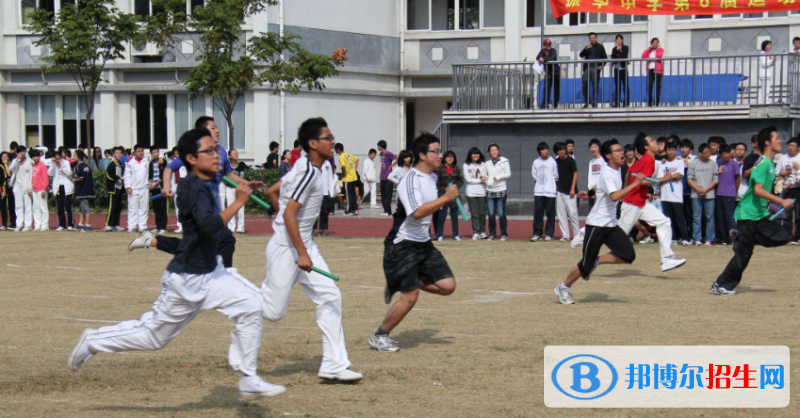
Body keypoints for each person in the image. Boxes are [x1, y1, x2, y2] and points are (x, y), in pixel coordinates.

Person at [67, 128, 285, 398]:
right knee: (153, 338)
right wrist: (238, 202)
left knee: (252, 306)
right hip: (186, 280)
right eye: (209, 150)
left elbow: (225, 177)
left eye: (216, 148)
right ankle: (93, 340)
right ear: (191, 158)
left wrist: (245, 185)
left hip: (213, 274)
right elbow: (208, 227)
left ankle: (248, 377)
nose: (216, 154)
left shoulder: (208, 175)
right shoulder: (193, 187)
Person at [262, 117, 363, 383]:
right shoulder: (307, 171)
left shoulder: (309, 168)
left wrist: (299, 240)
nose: (333, 142)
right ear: (312, 143)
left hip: (303, 245)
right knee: (273, 312)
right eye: (328, 138)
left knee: (330, 296)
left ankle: (334, 365)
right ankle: (225, 293)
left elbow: (273, 191)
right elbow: (290, 215)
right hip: (288, 249)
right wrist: (300, 251)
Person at [368, 133, 458, 353]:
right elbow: (416, 213)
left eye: (440, 151)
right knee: (410, 298)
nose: (440, 155)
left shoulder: (433, 178)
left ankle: (401, 279)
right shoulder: (410, 179)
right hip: (402, 243)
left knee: (448, 286)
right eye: (435, 151)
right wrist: (445, 199)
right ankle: (379, 336)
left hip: (423, 243)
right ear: (421, 155)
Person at [554, 139, 646, 305]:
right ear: (609, 156)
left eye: (621, 149)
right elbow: (615, 196)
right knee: (585, 266)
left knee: (628, 255)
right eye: (617, 150)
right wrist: (636, 184)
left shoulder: (616, 169)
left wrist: (589, 193)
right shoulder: (608, 172)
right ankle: (563, 287)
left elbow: (599, 186)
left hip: (610, 224)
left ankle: (597, 260)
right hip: (597, 224)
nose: (622, 152)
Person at [156, 116, 255, 268]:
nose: (218, 130)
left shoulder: (220, 150)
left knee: (203, 242)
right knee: (224, 238)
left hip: (211, 199)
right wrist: (166, 186)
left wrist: (248, 184)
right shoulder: (196, 150)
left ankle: (155, 241)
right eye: (213, 127)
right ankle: (224, 274)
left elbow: (227, 174)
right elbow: (169, 168)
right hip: (195, 198)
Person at [711, 126, 794, 295]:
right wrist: (781, 201)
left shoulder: (769, 164)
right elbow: (757, 190)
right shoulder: (763, 163)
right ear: (767, 142)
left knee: (782, 237)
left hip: (759, 214)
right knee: (744, 255)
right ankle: (721, 284)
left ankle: (742, 239)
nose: (780, 141)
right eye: (776, 138)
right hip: (748, 214)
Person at [594, 133, 686, 271]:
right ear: (647, 147)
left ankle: (666, 259)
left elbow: (630, 173)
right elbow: (642, 181)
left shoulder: (645, 160)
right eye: (652, 141)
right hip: (632, 203)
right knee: (618, 234)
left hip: (640, 203)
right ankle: (586, 236)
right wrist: (663, 179)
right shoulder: (648, 160)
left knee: (664, 222)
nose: (656, 142)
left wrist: (625, 189)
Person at [658, 142, 691, 246]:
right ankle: (673, 237)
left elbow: (678, 175)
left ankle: (685, 237)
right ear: (666, 151)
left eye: (673, 150)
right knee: (669, 218)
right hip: (665, 195)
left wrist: (667, 177)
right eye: (669, 150)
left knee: (679, 217)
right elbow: (659, 179)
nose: (671, 152)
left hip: (676, 195)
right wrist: (668, 178)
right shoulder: (662, 164)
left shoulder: (679, 162)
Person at [688, 143, 719, 246]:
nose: (708, 154)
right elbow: (689, 179)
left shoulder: (713, 164)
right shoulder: (694, 163)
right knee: (696, 217)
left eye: (709, 152)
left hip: (709, 194)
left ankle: (710, 239)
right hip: (696, 194)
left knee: (710, 217)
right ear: (700, 153)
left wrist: (705, 189)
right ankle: (697, 238)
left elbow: (715, 180)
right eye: (706, 152)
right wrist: (699, 189)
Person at [531, 142, 558, 242]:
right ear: (539, 151)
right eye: (543, 149)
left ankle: (549, 233)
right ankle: (537, 233)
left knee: (550, 213)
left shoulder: (553, 162)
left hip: (550, 191)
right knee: (538, 213)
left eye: (546, 149)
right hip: (539, 191)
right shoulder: (536, 162)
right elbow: (534, 176)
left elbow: (556, 176)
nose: (545, 151)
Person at [435, 150, 464, 241]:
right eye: (448, 157)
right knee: (442, 216)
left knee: (454, 216)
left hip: (454, 196)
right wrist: (442, 189)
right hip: (443, 195)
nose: (450, 159)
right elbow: (436, 181)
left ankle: (456, 234)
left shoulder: (456, 168)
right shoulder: (440, 168)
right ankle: (439, 235)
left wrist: (455, 186)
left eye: (451, 157)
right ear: (444, 158)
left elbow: (461, 180)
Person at [716, 144, 741, 245]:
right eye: (724, 153)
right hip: (719, 194)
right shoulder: (719, 164)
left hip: (729, 194)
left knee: (729, 218)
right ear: (721, 154)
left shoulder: (734, 164)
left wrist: (735, 191)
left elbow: (738, 178)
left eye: (728, 153)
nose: (726, 155)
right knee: (721, 218)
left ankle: (733, 239)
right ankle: (724, 239)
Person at [554, 142, 579, 242]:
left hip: (570, 192)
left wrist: (572, 188)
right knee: (561, 214)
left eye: (563, 149)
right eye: (559, 150)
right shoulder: (556, 161)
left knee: (572, 213)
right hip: (560, 191)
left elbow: (575, 174)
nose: (562, 151)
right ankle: (565, 235)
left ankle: (577, 235)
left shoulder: (570, 160)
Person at [485, 144, 510, 240]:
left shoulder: (504, 161)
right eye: (492, 150)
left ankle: (504, 233)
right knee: (491, 214)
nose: (494, 152)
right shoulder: (487, 163)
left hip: (501, 189)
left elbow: (508, 174)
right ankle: (492, 233)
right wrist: (486, 179)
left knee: (501, 213)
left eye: (496, 150)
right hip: (490, 190)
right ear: (489, 152)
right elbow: (484, 175)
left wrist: (498, 177)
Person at [777, 137, 800, 242]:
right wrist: (781, 173)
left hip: (798, 188)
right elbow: (777, 172)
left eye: (793, 146)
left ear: (798, 147)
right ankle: (788, 236)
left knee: (798, 213)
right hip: (786, 188)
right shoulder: (783, 158)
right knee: (787, 214)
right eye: (789, 145)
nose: (790, 148)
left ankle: (798, 236)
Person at [463, 147, 488, 240]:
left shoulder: (483, 164)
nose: (475, 155)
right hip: (471, 192)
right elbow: (467, 179)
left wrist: (483, 179)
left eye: (477, 154)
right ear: (470, 155)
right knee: (474, 214)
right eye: (473, 154)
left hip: (482, 191)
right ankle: (476, 232)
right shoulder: (466, 165)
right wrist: (479, 180)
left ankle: (482, 231)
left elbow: (486, 177)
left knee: (482, 213)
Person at [124, 145, 150, 233]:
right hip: (134, 189)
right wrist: (128, 186)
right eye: (138, 151)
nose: (140, 153)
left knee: (144, 207)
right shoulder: (131, 163)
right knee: (133, 208)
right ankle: (132, 226)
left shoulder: (147, 160)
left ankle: (142, 226)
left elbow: (158, 155)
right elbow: (127, 176)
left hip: (144, 188)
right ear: (134, 152)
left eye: (142, 151)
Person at [8, 146, 33, 232]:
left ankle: (28, 224)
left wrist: (30, 188)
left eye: (24, 151)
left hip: (27, 185)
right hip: (17, 185)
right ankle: (19, 224)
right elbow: (10, 169)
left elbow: (31, 176)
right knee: (18, 206)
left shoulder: (30, 162)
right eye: (20, 152)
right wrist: (16, 159)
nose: (22, 153)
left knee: (27, 205)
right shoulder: (16, 161)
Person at [579, 32, 607, 108]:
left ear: (596, 38)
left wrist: (602, 65)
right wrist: (585, 49)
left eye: (593, 38)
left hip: (595, 68)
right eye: (590, 38)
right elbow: (581, 55)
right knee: (584, 85)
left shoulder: (600, 47)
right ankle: (588, 101)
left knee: (595, 86)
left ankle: (594, 103)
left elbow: (605, 58)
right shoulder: (587, 47)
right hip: (587, 68)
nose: (592, 39)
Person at [223, 149, 248, 234]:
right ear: (230, 156)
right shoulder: (227, 165)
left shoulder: (241, 165)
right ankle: (231, 227)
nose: (236, 155)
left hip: (239, 188)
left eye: (237, 153)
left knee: (241, 207)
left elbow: (241, 177)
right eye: (234, 153)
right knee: (231, 207)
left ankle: (241, 228)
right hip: (229, 188)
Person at [50, 152, 75, 231]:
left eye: (59, 158)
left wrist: (62, 164)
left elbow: (69, 173)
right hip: (58, 186)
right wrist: (53, 164)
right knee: (60, 207)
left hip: (67, 186)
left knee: (68, 206)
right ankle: (62, 224)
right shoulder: (54, 164)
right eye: (56, 158)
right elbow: (49, 173)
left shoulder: (66, 163)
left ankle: (71, 224)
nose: (57, 160)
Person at [313, 156, 337, 236]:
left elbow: (330, 177)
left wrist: (331, 191)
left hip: (325, 192)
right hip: (315, 191)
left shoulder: (327, 164)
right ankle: (312, 229)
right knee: (314, 211)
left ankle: (322, 229)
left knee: (324, 211)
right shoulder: (314, 162)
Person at [104, 148, 125, 232]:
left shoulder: (121, 164)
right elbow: (108, 175)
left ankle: (116, 224)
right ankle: (108, 224)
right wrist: (118, 177)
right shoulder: (111, 164)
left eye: (120, 153)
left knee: (118, 207)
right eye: (117, 153)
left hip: (120, 187)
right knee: (112, 206)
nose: (119, 155)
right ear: (114, 155)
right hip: (114, 188)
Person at [148, 146, 168, 234]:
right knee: (156, 208)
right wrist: (150, 184)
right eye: (154, 152)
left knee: (162, 207)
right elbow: (150, 174)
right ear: (151, 153)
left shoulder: (163, 162)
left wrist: (156, 184)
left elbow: (163, 175)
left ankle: (163, 227)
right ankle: (158, 226)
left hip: (161, 188)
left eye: (157, 152)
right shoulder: (151, 163)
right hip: (154, 189)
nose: (156, 154)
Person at [336, 143, 359, 216]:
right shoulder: (348, 154)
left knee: (348, 195)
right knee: (353, 194)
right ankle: (355, 209)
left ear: (338, 149)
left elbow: (343, 166)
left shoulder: (341, 157)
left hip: (347, 178)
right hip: (353, 177)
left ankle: (348, 210)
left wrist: (344, 174)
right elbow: (357, 159)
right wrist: (354, 170)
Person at [73, 150, 94, 231]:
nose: (73, 157)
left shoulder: (79, 166)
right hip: (87, 189)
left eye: (75, 155)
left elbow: (81, 178)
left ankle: (88, 224)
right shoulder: (86, 166)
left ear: (79, 157)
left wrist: (74, 180)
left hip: (83, 190)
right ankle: (81, 224)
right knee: (82, 208)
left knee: (86, 208)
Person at [536, 39, 560, 109]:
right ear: (545, 45)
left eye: (550, 44)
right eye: (547, 44)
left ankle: (555, 104)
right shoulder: (542, 51)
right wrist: (540, 58)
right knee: (546, 89)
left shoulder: (553, 50)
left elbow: (552, 58)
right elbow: (537, 57)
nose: (549, 46)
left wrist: (543, 60)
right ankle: (545, 104)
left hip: (555, 72)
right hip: (548, 72)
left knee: (556, 90)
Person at [680, 139, 696, 239]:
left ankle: (691, 234)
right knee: (681, 215)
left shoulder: (695, 159)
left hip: (691, 191)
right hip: (679, 192)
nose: (683, 149)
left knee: (691, 214)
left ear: (690, 149)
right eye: (682, 147)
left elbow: (695, 171)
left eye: (686, 147)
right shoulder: (676, 159)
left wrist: (685, 161)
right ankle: (683, 235)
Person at [30, 149, 50, 231]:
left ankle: (45, 224)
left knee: (43, 207)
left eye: (36, 156)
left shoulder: (42, 165)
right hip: (34, 189)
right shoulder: (32, 166)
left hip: (41, 189)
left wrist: (44, 189)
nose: (35, 158)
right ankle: (37, 224)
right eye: (33, 156)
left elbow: (45, 178)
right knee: (35, 207)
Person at [377, 140, 397, 216]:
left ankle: (388, 211)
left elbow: (397, 158)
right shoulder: (381, 154)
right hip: (382, 177)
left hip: (388, 177)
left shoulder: (388, 153)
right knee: (383, 194)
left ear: (381, 146)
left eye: (378, 146)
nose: (378, 147)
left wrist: (391, 166)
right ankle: (385, 210)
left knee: (388, 195)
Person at [643, 38, 664, 107]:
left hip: (657, 70)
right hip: (650, 69)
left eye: (656, 43)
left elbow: (659, 55)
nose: (655, 44)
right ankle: (649, 103)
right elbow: (643, 56)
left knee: (657, 87)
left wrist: (657, 48)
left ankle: (656, 103)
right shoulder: (649, 51)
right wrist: (648, 49)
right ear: (651, 44)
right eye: (654, 43)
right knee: (649, 87)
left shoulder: (660, 50)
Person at [611, 34, 629, 108]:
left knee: (625, 86)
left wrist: (620, 51)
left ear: (622, 40)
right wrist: (617, 51)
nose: (618, 41)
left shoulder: (625, 47)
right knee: (617, 86)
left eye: (620, 39)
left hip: (623, 69)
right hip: (616, 69)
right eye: (617, 39)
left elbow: (624, 56)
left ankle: (626, 102)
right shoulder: (614, 49)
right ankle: (617, 103)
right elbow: (613, 57)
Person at [587, 138, 604, 210]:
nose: (593, 149)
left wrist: (596, 189)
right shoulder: (591, 161)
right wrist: (590, 189)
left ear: (599, 148)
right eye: (591, 147)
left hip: (600, 190)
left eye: (595, 147)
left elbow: (603, 176)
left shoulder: (603, 160)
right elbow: (590, 175)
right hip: (591, 190)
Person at [759, 40, 775, 104]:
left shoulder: (767, 54)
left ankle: (765, 100)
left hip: (767, 73)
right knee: (765, 88)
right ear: (765, 46)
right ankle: (765, 101)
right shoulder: (762, 53)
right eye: (768, 45)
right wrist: (772, 61)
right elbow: (764, 64)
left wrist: (772, 61)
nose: (770, 46)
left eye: (770, 45)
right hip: (764, 73)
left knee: (766, 88)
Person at [0, 152, 12, 229]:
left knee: (4, 207)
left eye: (6, 156)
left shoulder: (10, 165)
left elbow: (8, 175)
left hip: (6, 188)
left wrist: (6, 165)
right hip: (2, 188)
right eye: (3, 156)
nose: (5, 158)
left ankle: (5, 223)